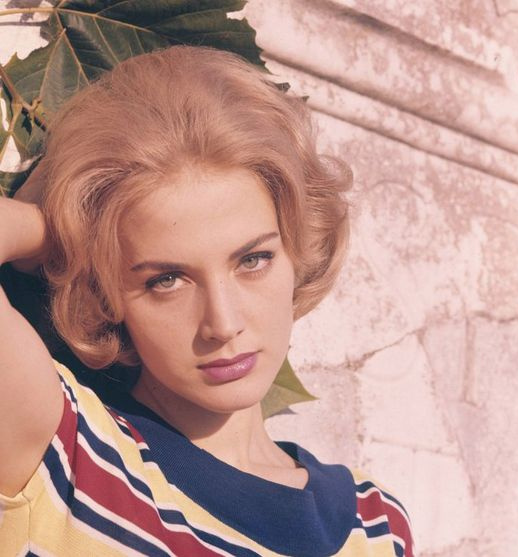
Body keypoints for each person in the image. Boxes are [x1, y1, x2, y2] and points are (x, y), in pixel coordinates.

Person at [0, 46, 414, 556]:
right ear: (106, 294)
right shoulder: (66, 456)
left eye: (253, 260)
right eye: (167, 280)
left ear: (298, 249)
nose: (223, 322)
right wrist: (62, 232)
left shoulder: (377, 523)